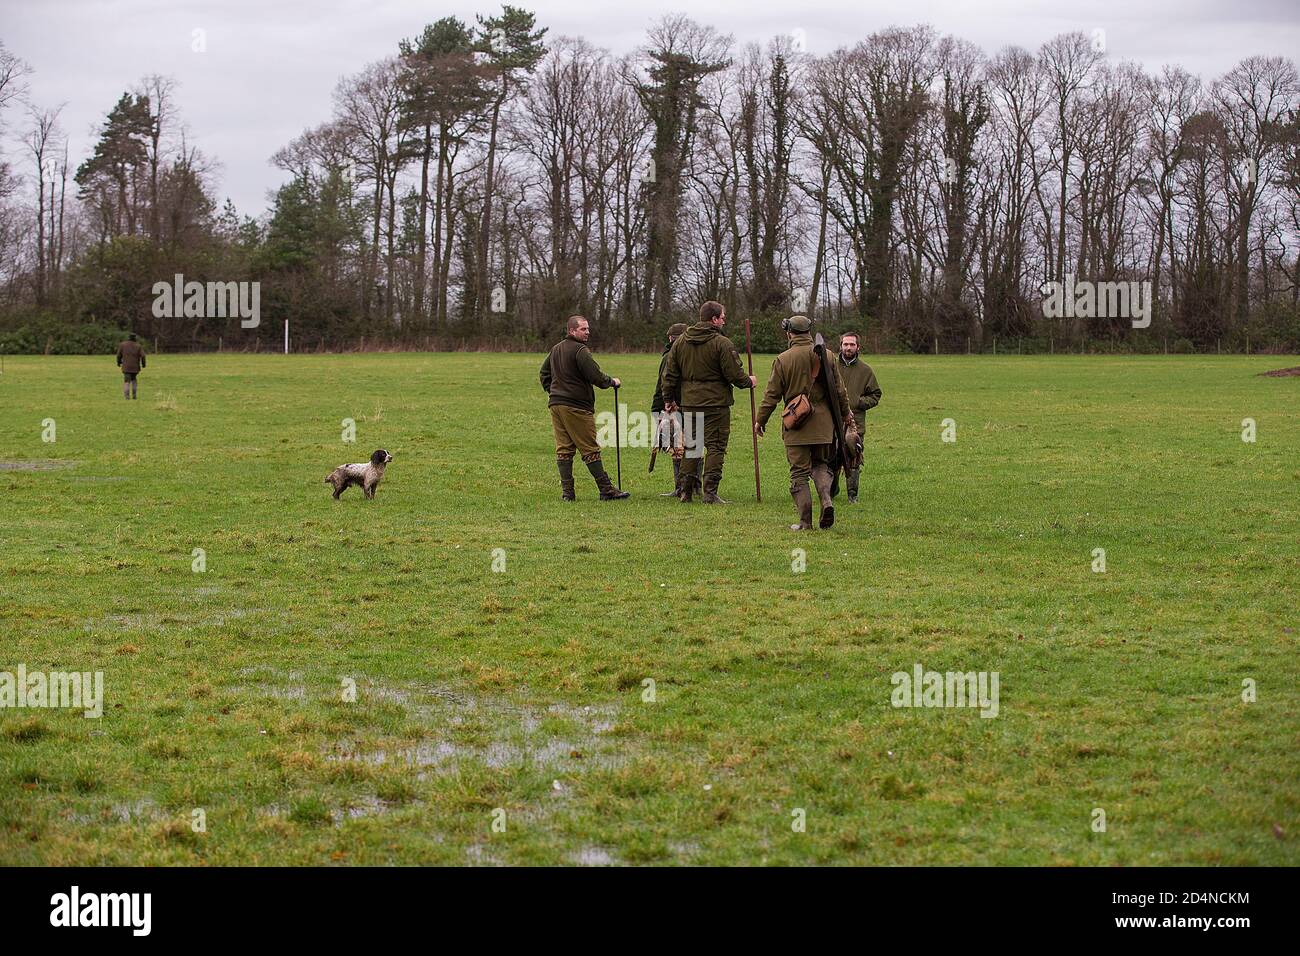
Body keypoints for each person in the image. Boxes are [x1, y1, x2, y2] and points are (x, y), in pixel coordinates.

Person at [754, 315, 857, 531]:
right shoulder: (827, 355)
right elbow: (840, 391)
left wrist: (760, 420)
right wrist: (847, 414)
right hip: (824, 426)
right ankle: (826, 500)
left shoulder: (783, 359)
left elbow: (771, 395)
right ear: (809, 331)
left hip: (796, 424)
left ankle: (805, 522)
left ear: (789, 333)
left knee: (799, 473)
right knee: (820, 465)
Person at [661, 301, 757, 503]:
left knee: (692, 447)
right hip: (716, 405)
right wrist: (749, 381)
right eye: (722, 317)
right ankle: (710, 493)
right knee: (716, 447)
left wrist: (668, 399)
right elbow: (734, 375)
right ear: (714, 319)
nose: (724, 320)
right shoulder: (722, 343)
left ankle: (685, 491)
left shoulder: (680, 342)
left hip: (690, 403)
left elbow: (669, 374)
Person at [539, 315, 629, 501]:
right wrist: (612, 382)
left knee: (564, 449)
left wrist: (553, 391)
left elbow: (544, 373)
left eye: (588, 329)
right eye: (583, 329)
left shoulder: (555, 349)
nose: (587, 332)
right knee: (589, 448)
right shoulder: (580, 350)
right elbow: (595, 375)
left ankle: (568, 493)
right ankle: (606, 490)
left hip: (556, 405)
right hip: (576, 406)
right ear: (572, 331)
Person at [830, 331, 881, 503]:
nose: (848, 348)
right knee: (832, 456)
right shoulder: (831, 366)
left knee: (853, 455)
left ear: (858, 347)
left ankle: (853, 494)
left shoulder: (865, 370)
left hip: (855, 422)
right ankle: (832, 488)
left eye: (852, 344)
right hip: (831, 420)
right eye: (845, 344)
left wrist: (859, 402)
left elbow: (876, 395)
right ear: (841, 346)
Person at [651, 322, 689, 496]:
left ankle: (680, 488)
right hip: (693, 404)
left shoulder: (669, 357)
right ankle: (692, 487)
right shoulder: (691, 355)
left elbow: (663, 384)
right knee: (692, 445)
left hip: (674, 406)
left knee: (677, 448)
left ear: (670, 338)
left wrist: (657, 410)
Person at [115, 333, 146, 400]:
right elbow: (143, 356)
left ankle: (127, 397)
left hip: (126, 367)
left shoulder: (122, 345)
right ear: (135, 338)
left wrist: (119, 362)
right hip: (135, 367)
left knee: (126, 381)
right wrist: (143, 364)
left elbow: (118, 355)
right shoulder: (138, 346)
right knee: (134, 380)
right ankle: (134, 396)